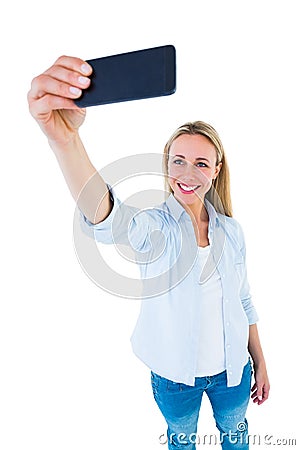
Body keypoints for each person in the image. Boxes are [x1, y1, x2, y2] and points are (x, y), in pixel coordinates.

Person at [28, 55, 270, 450]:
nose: (187, 174)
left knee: (236, 438)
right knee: (181, 442)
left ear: (216, 169)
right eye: (178, 161)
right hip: (175, 379)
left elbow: (244, 302)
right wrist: (65, 141)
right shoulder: (155, 227)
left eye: (200, 163)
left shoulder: (232, 231)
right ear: (167, 164)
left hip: (234, 374)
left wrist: (259, 361)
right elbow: (109, 218)